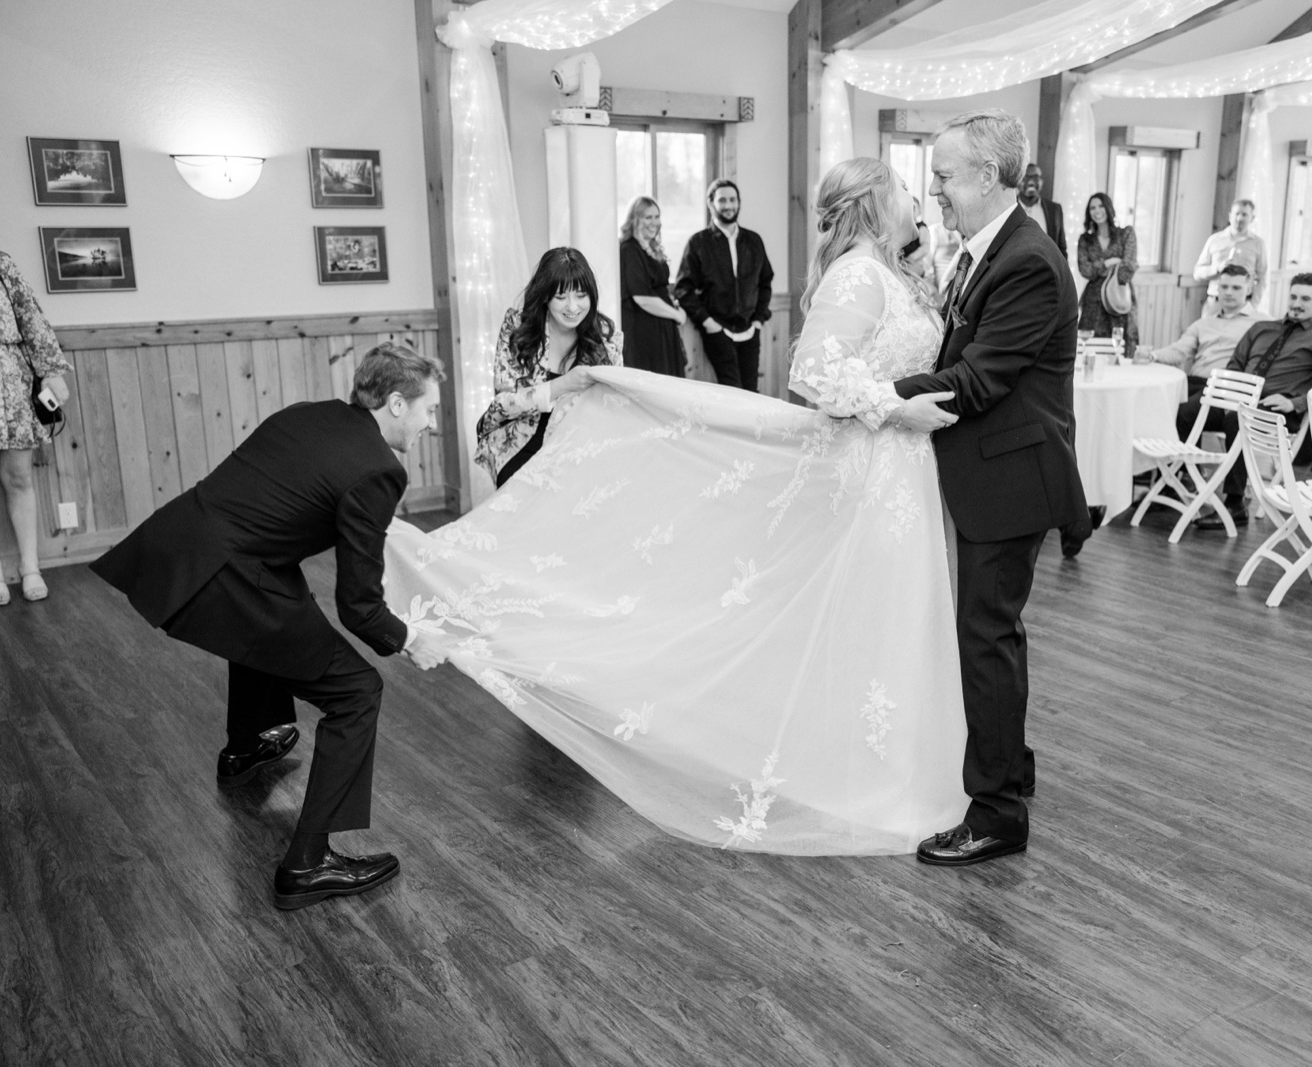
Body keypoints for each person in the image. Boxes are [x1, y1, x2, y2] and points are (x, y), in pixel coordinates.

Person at [379, 156, 971, 855]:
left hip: (895, 473)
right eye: (906, 188)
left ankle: (879, 759)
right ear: (874, 202)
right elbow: (813, 373)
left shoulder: (896, 269)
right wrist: (897, 409)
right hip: (877, 463)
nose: (917, 198)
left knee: (884, 616)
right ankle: (858, 772)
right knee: (862, 610)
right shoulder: (860, 274)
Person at [91, 343, 449, 909]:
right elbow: (359, 605)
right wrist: (409, 640)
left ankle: (246, 746)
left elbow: (286, 498)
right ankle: (308, 863)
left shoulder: (309, 413)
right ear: (398, 404)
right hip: (230, 575)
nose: (433, 423)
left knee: (277, 613)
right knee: (357, 691)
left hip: (185, 540)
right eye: (430, 410)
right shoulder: (380, 469)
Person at [893, 107, 1088, 866]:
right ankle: (1015, 767)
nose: (933, 189)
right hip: (992, 471)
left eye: (943, 175)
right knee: (992, 632)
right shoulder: (987, 250)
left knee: (986, 636)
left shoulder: (1028, 261)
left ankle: (998, 811)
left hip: (1012, 477)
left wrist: (872, 392)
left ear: (987, 176)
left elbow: (978, 380)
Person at [1184, 273, 1312, 531]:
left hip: (1278, 409)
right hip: (1239, 398)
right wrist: (1232, 389)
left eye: (1305, 298)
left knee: (1237, 419)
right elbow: (1235, 364)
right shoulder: (1262, 328)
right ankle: (1177, 482)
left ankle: (1235, 504)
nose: (1296, 303)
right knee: (1187, 411)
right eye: (1293, 296)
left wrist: (1296, 403)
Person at [0, 196, 71, 607]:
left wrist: (51, 370)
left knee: (18, 478)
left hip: (10, 381)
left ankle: (30, 566)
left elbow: (32, 317)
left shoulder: (0, 265)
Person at [475, 247, 622, 488]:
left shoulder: (606, 337)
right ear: (545, 296)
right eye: (561, 297)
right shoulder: (517, 329)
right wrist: (561, 385)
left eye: (581, 295)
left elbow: (615, 407)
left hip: (579, 445)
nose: (573, 307)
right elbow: (502, 404)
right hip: (521, 441)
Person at [674, 179, 774, 392]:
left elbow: (766, 282)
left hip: (750, 330)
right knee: (733, 392)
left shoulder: (754, 240)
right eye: (722, 200)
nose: (728, 205)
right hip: (718, 331)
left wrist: (758, 320)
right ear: (711, 204)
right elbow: (683, 289)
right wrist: (708, 322)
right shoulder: (698, 243)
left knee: (752, 392)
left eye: (732, 199)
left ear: (739, 202)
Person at [1135, 263, 1260, 399]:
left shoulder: (1261, 324)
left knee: (1182, 412)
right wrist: (1152, 355)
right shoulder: (1203, 324)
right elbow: (1179, 351)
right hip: (1193, 382)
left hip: (1225, 390)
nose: (1229, 292)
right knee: (1150, 401)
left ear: (1248, 290)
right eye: (1224, 287)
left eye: (1236, 288)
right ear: (1217, 289)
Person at [618, 197, 687, 377]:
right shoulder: (629, 250)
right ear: (634, 219)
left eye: (657, 217)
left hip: (662, 329)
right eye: (648, 217)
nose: (655, 222)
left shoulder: (653, 248)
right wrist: (676, 315)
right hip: (644, 331)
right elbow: (642, 297)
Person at [1077, 192, 1138, 352]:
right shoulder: (1085, 240)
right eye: (1092, 208)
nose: (1097, 211)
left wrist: (1101, 270)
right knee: (1091, 349)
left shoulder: (1126, 234)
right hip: (1093, 302)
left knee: (1120, 349)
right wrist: (1108, 262)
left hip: (1119, 297)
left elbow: (1128, 268)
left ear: (1108, 208)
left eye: (1100, 206)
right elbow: (1085, 270)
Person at [1192, 199, 1268, 309]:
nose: (1240, 218)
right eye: (1237, 214)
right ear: (1230, 216)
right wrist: (1217, 269)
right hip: (1215, 303)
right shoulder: (1214, 240)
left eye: (1244, 214)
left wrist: (1253, 305)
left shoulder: (1258, 243)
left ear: (1252, 218)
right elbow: (1197, 273)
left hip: (1244, 303)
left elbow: (1262, 277)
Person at [1017, 162, 1066, 261]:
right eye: (1025, 177)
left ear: (1041, 181)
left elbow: (1061, 249)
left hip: (1047, 272)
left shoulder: (1055, 210)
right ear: (1017, 181)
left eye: (1035, 177)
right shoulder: (1007, 209)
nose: (1030, 182)